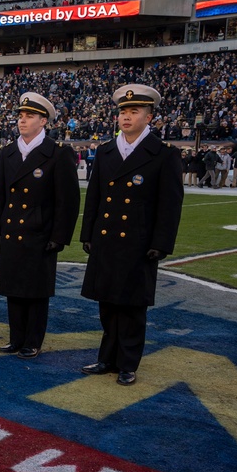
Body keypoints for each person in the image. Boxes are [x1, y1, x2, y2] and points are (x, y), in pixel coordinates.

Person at [80, 84, 183, 386]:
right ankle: (106, 358)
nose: (126, 116)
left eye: (134, 111)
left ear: (149, 117)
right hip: (106, 239)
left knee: (132, 307)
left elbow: (170, 204)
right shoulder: (106, 151)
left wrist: (161, 243)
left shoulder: (163, 154)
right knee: (107, 303)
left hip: (138, 243)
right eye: (123, 111)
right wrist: (88, 233)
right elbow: (95, 197)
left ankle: (127, 363)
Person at [0, 92, 80, 359]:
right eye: (20, 116)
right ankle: (16, 338)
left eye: (29, 116)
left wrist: (59, 236)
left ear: (43, 121)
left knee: (35, 291)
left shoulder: (57, 154)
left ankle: (33, 340)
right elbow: (1, 195)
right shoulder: (8, 152)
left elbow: (67, 200)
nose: (22, 121)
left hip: (39, 233)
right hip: (12, 230)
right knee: (13, 289)